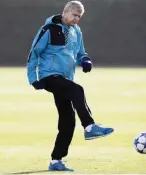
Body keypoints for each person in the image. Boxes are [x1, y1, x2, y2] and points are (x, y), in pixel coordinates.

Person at [27, 1, 114, 172]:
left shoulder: (76, 31)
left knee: (68, 122)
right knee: (77, 90)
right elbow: (34, 53)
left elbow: (81, 52)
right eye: (74, 15)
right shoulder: (48, 30)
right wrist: (33, 79)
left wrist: (85, 60)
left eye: (79, 17)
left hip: (66, 78)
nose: (76, 19)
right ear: (65, 12)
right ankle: (89, 127)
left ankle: (55, 161)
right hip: (49, 76)